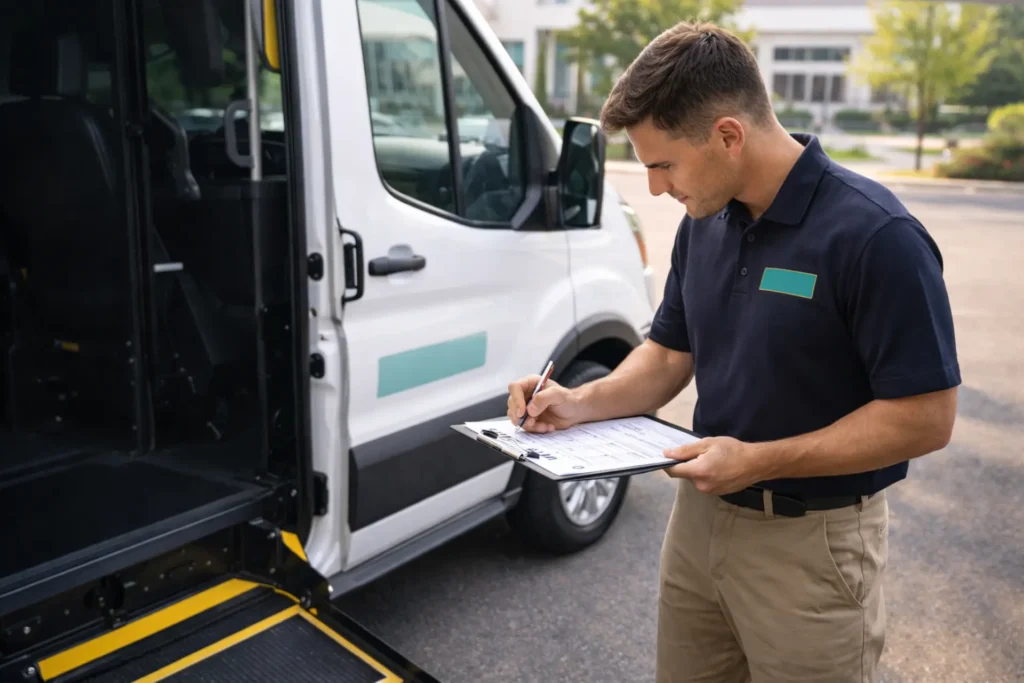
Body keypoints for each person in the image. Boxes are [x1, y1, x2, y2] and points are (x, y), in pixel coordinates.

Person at [506, 20, 960, 683]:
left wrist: (760, 461)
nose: (655, 188)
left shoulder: (876, 236)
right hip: (699, 525)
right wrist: (577, 403)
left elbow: (927, 417)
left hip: (813, 544)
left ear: (727, 135)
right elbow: (667, 353)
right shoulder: (705, 222)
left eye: (662, 164)